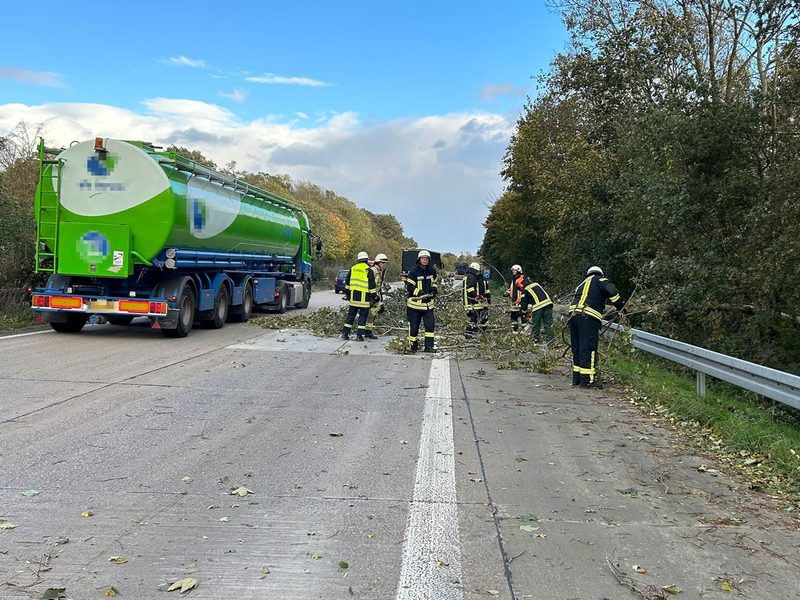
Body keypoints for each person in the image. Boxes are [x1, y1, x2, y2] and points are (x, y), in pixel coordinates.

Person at [568, 266, 625, 389]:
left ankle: (577, 379)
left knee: (577, 347)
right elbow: (612, 291)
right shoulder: (600, 280)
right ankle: (587, 380)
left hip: (573, 316)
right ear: (600, 273)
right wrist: (620, 306)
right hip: (588, 317)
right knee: (588, 347)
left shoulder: (582, 284)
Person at [405, 250, 438, 353]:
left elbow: (434, 283)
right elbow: (409, 287)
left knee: (430, 326)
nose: (425, 260)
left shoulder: (432, 271)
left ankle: (429, 347)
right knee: (414, 327)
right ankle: (413, 345)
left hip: (428, 306)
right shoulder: (413, 271)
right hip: (415, 306)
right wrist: (418, 293)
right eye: (423, 258)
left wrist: (434, 289)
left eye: (427, 258)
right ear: (419, 259)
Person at [341, 251, 377, 342]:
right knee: (363, 317)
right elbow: (371, 285)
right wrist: (374, 296)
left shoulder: (353, 268)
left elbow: (347, 283)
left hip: (353, 298)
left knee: (351, 315)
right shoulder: (368, 270)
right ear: (366, 260)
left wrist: (348, 294)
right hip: (364, 298)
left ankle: (345, 333)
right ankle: (359, 335)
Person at [520, 279, 555, 343]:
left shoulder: (525, 290)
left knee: (536, 325)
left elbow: (523, 304)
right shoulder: (536, 284)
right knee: (548, 324)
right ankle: (551, 341)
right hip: (548, 304)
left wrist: (524, 313)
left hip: (538, 307)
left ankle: (535, 341)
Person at [364, 253, 389, 339]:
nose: (384, 264)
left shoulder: (379, 271)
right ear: (378, 262)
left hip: (374, 295)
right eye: (382, 262)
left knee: (372, 314)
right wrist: (374, 296)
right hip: (371, 296)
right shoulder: (373, 271)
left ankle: (368, 331)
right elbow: (371, 284)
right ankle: (367, 331)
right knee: (370, 314)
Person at [463, 261, 490, 336]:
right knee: (473, 318)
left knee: (480, 317)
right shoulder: (471, 277)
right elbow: (470, 288)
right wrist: (476, 296)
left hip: (476, 302)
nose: (478, 272)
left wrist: (488, 299)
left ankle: (478, 332)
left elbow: (486, 290)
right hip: (472, 302)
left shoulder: (477, 278)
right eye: (477, 271)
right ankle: (470, 333)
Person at [502, 264, 529, 333]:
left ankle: (524, 333)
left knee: (523, 319)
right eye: (512, 270)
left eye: (515, 270)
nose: (513, 271)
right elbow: (512, 289)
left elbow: (526, 288)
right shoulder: (514, 279)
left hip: (521, 302)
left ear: (518, 271)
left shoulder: (522, 279)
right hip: (514, 302)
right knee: (513, 319)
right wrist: (507, 293)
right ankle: (515, 333)